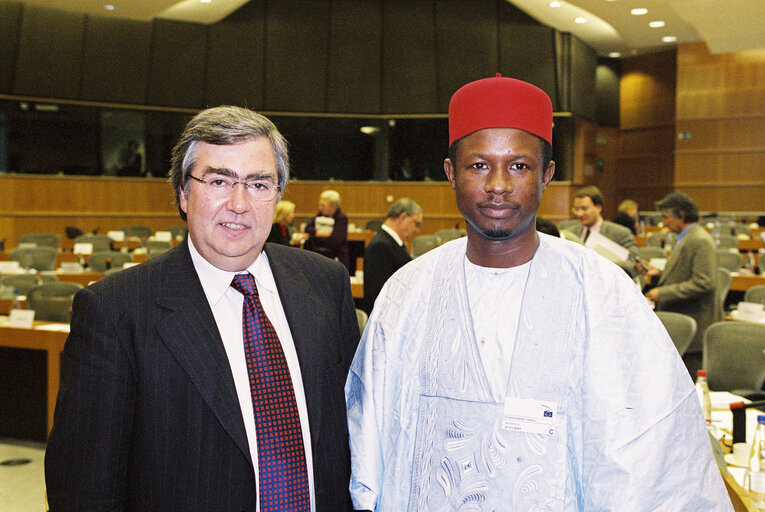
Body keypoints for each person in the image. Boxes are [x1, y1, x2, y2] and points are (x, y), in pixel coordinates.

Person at [345, 75, 731, 511]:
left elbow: (647, 456)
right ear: (451, 173)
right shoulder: (408, 293)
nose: (498, 184)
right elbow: (371, 437)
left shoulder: (602, 293)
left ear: (547, 174)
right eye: (478, 165)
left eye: (518, 166)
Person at [45, 106, 359, 511]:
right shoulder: (115, 310)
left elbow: (352, 433)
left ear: (278, 194)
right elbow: (84, 489)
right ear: (183, 192)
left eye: (259, 183)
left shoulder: (325, 284)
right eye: (218, 180)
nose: (240, 203)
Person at [642, 192, 719, 377]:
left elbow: (704, 282)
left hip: (695, 327)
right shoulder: (685, 238)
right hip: (684, 321)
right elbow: (684, 273)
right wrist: (659, 274)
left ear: (681, 215)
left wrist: (663, 293)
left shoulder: (700, 240)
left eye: (666, 217)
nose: (664, 223)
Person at [361, 198, 422, 314]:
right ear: (403, 217)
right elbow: (377, 295)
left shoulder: (395, 244)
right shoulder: (380, 246)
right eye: (416, 224)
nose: (417, 230)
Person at [568, 185, 640, 277]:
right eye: (576, 209)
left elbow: (633, 265)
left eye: (584, 208)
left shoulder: (620, 233)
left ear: (598, 208)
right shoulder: (570, 233)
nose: (579, 214)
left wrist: (602, 265)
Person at [305, 189, 351, 273]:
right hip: (319, 256)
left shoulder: (341, 218)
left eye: (323, 206)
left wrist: (315, 238)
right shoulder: (320, 214)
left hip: (336, 259)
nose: (320, 208)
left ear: (333, 206)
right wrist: (318, 233)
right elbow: (307, 228)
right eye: (320, 205)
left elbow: (335, 241)